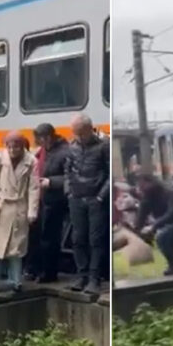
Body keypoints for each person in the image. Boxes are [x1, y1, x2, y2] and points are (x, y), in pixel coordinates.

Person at [0, 131, 39, 293]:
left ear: (22, 146)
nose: (12, 150)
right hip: (0, 204)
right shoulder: (0, 158)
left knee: (16, 248)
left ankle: (15, 280)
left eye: (16, 147)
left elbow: (34, 187)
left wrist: (32, 211)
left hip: (19, 205)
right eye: (10, 147)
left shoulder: (31, 161)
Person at [65, 114, 110, 294]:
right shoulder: (72, 147)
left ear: (90, 130)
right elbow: (68, 170)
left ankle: (94, 277)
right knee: (78, 239)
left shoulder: (103, 147)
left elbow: (110, 173)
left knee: (95, 239)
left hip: (95, 198)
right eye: (75, 133)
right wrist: (69, 191)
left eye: (81, 133)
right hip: (76, 197)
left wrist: (101, 197)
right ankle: (82, 275)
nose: (78, 137)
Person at [26, 123, 70, 283]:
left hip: (54, 200)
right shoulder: (43, 151)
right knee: (36, 235)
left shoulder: (64, 152)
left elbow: (69, 177)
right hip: (41, 198)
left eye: (40, 139)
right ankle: (35, 269)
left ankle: (49, 272)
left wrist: (51, 182)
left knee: (49, 237)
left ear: (48, 137)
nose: (39, 143)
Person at [136, 174, 173, 275]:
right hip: (164, 224)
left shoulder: (169, 194)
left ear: (152, 183)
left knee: (162, 237)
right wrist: (138, 230)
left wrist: (154, 226)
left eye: (143, 185)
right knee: (164, 240)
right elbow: (141, 217)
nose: (142, 189)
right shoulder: (147, 199)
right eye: (140, 187)